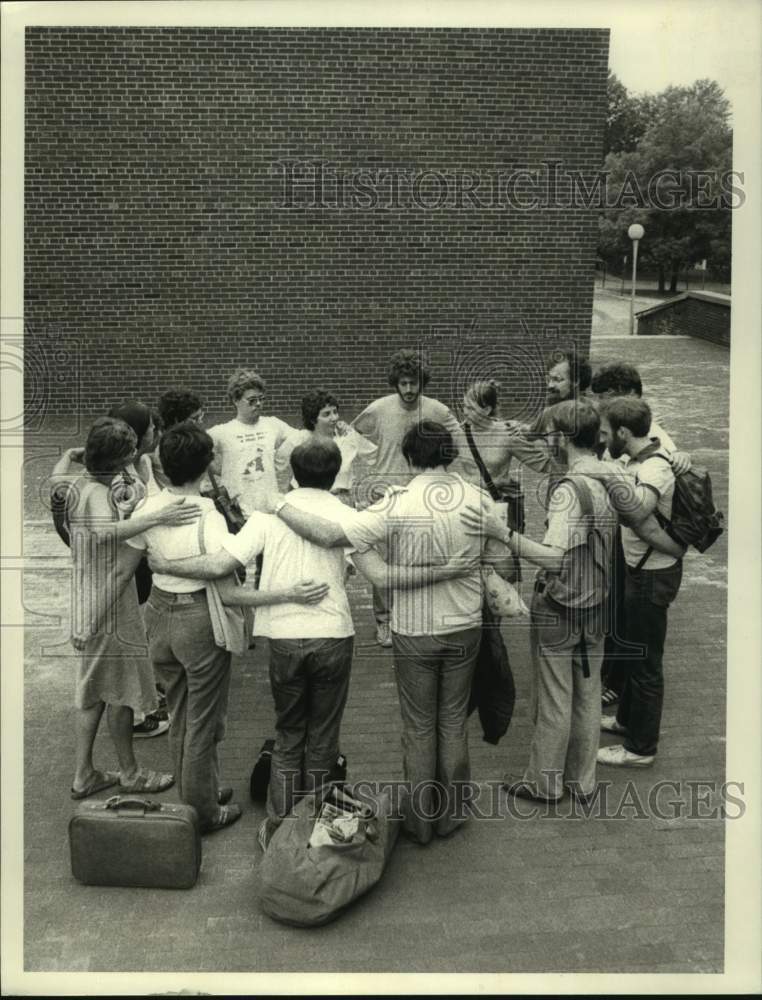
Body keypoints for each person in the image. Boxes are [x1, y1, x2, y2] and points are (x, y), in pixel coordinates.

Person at [147, 436, 473, 848]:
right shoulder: (346, 515)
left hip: (283, 637)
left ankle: (278, 825)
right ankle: (315, 825)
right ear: (335, 473)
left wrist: (163, 564)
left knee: (287, 734)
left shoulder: (266, 517)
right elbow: (377, 571)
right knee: (323, 737)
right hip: (333, 635)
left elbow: (220, 565)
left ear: (291, 473)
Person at [275, 423, 499, 845]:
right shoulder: (478, 497)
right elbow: (498, 555)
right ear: (448, 454)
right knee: (452, 719)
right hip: (465, 623)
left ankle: (421, 821)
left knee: (418, 725)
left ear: (410, 458)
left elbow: (329, 535)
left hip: (415, 629)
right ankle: (451, 813)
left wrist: (277, 505)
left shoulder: (397, 503)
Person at [126, 423, 329, 832]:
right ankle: (202, 812)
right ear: (206, 466)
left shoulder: (147, 507)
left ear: (164, 465)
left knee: (181, 713)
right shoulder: (208, 516)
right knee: (203, 721)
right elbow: (231, 594)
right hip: (198, 620)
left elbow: (129, 563)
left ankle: (197, 788)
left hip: (159, 616)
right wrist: (287, 593)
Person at [463, 401, 617, 803]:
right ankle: (582, 781)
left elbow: (555, 557)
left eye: (550, 433)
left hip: (562, 607)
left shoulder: (570, 490)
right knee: (588, 694)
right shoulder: (607, 479)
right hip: (597, 604)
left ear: (562, 438)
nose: (547, 439)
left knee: (553, 700)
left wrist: (503, 532)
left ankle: (544, 783)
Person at [67, 417, 201, 799]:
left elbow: (131, 492)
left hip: (93, 596)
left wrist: (130, 466)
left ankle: (84, 774)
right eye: (129, 453)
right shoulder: (93, 495)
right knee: (121, 691)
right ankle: (129, 774)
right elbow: (101, 532)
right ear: (118, 457)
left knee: (97, 689)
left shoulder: (87, 484)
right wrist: (157, 516)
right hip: (106, 602)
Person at [595, 397, 686, 768]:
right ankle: (626, 720)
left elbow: (637, 511)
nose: (603, 440)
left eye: (606, 433)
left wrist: (604, 482)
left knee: (647, 663)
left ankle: (640, 748)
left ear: (623, 432)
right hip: (640, 569)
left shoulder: (654, 469)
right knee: (635, 650)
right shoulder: (634, 461)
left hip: (652, 575)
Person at [350, 349, 462, 646]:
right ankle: (384, 621)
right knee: (384, 561)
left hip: (424, 496)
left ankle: (417, 614)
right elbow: (350, 437)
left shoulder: (438, 411)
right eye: (403, 383)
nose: (409, 389)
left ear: (422, 382)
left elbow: (458, 444)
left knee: (421, 556)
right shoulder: (378, 409)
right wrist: (371, 462)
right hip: (386, 497)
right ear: (395, 383)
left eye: (414, 383)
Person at [589, 362, 680, 710]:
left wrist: (671, 547)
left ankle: (639, 740)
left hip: (648, 560)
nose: (599, 407)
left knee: (638, 641)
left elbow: (642, 514)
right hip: (632, 551)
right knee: (622, 620)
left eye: (605, 399)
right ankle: (623, 698)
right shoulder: (630, 443)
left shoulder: (656, 446)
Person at [207, 369, 298, 516]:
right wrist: (221, 470)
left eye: (261, 399)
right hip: (239, 512)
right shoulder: (222, 432)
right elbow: (197, 451)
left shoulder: (273, 425)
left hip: (270, 509)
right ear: (236, 401)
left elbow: (301, 439)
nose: (258, 404)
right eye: (252, 400)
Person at [275, 388, 377, 502]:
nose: (334, 418)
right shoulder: (299, 439)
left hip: (339, 500)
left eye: (335, 412)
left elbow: (377, 457)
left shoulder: (348, 436)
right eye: (327, 414)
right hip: (305, 500)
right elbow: (275, 465)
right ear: (313, 419)